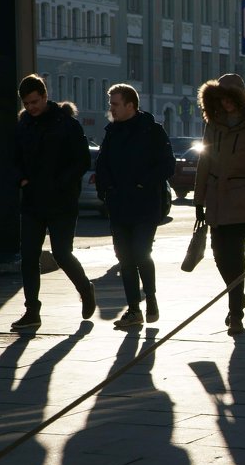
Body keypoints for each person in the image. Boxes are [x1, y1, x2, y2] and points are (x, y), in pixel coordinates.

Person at [194, 73, 245, 336]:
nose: (227, 104)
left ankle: (236, 313)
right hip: (216, 199)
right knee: (219, 255)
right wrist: (198, 201)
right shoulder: (213, 124)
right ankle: (238, 294)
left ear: (241, 99)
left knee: (235, 254)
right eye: (222, 99)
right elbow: (204, 162)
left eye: (231, 99)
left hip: (241, 198)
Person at [10, 74, 95, 331]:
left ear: (45, 96)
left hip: (62, 201)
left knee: (61, 253)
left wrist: (61, 183)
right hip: (33, 200)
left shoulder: (66, 124)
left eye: (35, 101)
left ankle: (85, 289)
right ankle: (32, 311)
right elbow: (12, 158)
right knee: (28, 256)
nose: (31, 107)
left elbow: (82, 161)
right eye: (27, 103)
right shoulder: (23, 125)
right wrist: (21, 180)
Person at [95, 83, 175, 329]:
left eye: (115, 104)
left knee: (141, 253)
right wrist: (107, 191)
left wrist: (143, 184)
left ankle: (150, 299)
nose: (112, 109)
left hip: (145, 205)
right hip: (119, 206)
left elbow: (167, 165)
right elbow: (102, 165)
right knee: (125, 258)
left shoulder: (151, 131)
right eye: (111, 104)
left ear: (131, 105)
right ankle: (133, 310)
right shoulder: (112, 132)